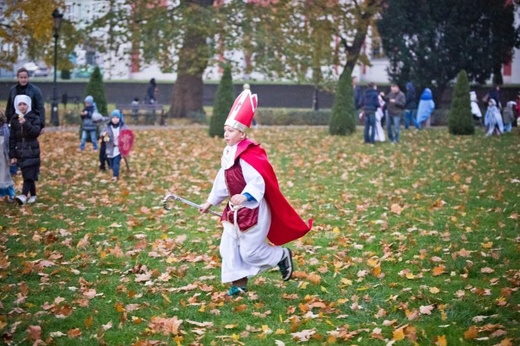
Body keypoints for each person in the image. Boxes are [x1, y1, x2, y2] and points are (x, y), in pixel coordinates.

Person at [199, 89, 312, 296]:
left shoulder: (249, 154)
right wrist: (210, 201)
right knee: (228, 248)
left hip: (254, 210)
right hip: (234, 211)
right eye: (225, 130)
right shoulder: (228, 153)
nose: (226, 134)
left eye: (231, 130)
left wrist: (246, 195)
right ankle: (239, 285)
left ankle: (281, 256)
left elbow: (257, 181)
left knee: (250, 253)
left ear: (242, 133)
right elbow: (223, 180)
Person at [9, 95, 42, 205]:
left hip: (32, 150)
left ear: (28, 105)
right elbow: (12, 138)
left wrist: (25, 123)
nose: (22, 107)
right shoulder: (14, 119)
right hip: (20, 152)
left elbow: (35, 132)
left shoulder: (34, 117)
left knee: (28, 173)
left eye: (24, 104)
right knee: (27, 174)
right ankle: (33, 195)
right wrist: (12, 155)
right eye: (20, 104)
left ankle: (23, 196)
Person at [101, 110, 129, 182]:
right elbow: (103, 136)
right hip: (109, 148)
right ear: (111, 119)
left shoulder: (123, 126)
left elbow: (127, 135)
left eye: (117, 118)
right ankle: (113, 170)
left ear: (119, 118)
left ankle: (115, 176)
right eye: (113, 118)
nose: (115, 119)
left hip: (118, 149)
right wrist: (104, 136)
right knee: (111, 163)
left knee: (116, 162)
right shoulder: (107, 126)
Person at [0, 111, 15, 203]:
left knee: (5, 177)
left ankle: (11, 195)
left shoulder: (5, 130)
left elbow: (8, 144)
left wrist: (10, 156)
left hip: (4, 157)